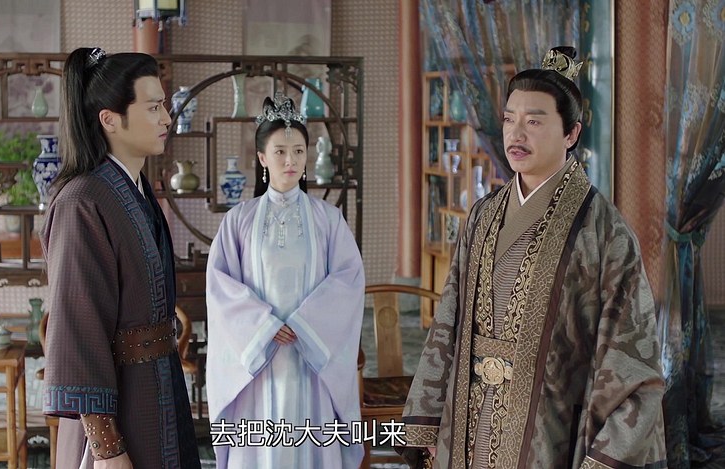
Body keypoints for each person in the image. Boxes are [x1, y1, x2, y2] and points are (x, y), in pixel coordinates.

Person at [398, 47, 667, 468]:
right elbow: (448, 319)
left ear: (571, 134)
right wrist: (429, 419)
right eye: (510, 119)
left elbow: (632, 360)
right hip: (468, 419)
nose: (516, 134)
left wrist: (603, 456)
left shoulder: (604, 232)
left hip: (551, 431)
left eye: (534, 121)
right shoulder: (484, 214)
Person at [41, 47, 201, 469]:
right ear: (110, 119)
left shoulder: (137, 188)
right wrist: (107, 448)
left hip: (158, 386)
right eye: (153, 107)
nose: (167, 119)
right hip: (116, 410)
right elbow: (79, 331)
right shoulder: (81, 202)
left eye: (163, 105)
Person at [206, 92, 365, 468]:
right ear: (262, 158)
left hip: (311, 356)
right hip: (260, 357)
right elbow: (220, 285)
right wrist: (262, 326)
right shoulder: (239, 220)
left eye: (298, 151)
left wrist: (306, 325)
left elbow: (348, 280)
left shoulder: (328, 219)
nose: (290, 160)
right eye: (280, 151)